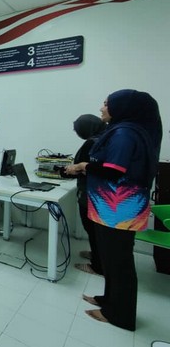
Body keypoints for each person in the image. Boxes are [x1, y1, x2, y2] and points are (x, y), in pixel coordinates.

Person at [65, 90, 162, 331]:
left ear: (123, 108)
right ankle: (107, 300)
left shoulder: (124, 134)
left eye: (107, 104)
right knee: (111, 260)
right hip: (113, 208)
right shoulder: (124, 131)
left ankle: (120, 315)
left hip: (119, 208)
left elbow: (113, 170)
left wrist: (84, 165)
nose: (101, 108)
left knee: (119, 263)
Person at [61, 115, 106, 276]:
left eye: (78, 130)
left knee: (92, 228)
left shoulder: (92, 143)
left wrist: (69, 170)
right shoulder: (104, 139)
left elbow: (85, 168)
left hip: (90, 193)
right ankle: (98, 257)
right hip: (100, 193)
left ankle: (97, 265)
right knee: (96, 230)